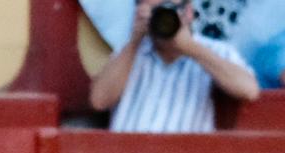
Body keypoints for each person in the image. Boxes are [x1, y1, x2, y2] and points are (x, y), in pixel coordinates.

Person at [89, 0, 258, 132]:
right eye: (153, 11)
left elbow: (249, 89)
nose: (162, 17)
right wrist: (135, 40)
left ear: (189, 12)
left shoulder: (213, 51)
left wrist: (189, 47)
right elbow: (99, 101)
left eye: (168, 8)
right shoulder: (129, 53)